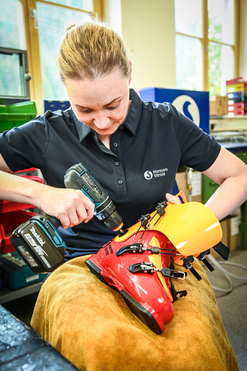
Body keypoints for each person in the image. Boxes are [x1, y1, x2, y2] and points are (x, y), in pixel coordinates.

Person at [0, 20, 247, 262]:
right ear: (66, 89)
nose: (103, 122)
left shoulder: (165, 122)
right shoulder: (47, 132)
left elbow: (240, 176)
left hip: (158, 257)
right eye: (85, 110)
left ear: (129, 73)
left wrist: (194, 223)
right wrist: (41, 194)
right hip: (83, 265)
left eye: (113, 105)